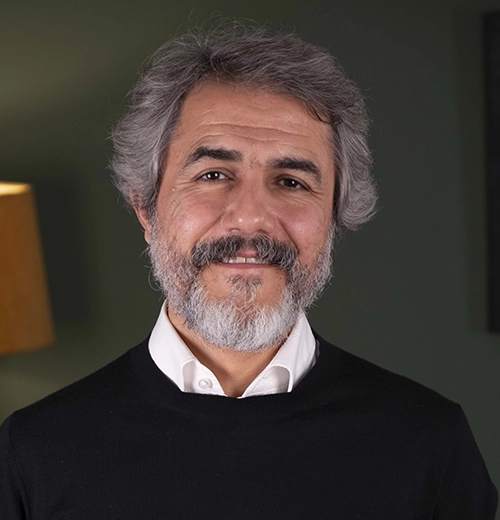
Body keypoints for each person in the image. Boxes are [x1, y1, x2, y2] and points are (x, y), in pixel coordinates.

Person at [0, 22, 497, 520]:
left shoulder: (430, 445)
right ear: (146, 209)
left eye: (291, 181)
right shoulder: (31, 453)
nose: (251, 218)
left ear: (334, 215)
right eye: (214, 174)